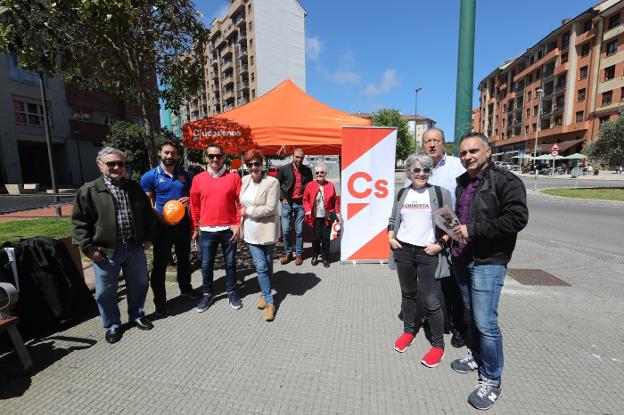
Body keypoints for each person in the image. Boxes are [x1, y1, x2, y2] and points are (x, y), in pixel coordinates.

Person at [450, 132, 528, 410]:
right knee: (471, 315)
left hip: (488, 262)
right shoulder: (462, 182)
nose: (468, 157)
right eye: (463, 153)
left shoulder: (506, 181)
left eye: (473, 151)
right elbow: (463, 216)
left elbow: (517, 219)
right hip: (462, 258)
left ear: (488, 152)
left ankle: (492, 380)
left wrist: (473, 229)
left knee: (486, 323)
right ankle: (476, 356)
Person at [71, 147, 156, 344]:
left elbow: (147, 215)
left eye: (121, 163)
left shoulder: (133, 188)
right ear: (99, 165)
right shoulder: (89, 191)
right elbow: (79, 224)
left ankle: (137, 315)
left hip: (134, 247)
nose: (117, 167)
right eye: (111, 164)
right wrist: (89, 249)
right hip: (106, 251)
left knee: (140, 284)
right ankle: (112, 325)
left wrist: (149, 237)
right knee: (105, 292)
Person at [387, 153, 453, 368]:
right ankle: (408, 331)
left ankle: (437, 345)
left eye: (426, 169)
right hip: (404, 251)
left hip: (428, 254)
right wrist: (390, 237)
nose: (421, 173)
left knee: (432, 302)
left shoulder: (439, 193)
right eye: (416, 170)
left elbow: (451, 228)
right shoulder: (402, 193)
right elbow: (394, 218)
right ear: (409, 172)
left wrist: (439, 245)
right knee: (408, 295)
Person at [140, 141, 199, 317]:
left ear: (177, 155)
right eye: (166, 153)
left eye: (173, 153)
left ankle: (186, 289)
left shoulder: (184, 175)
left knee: (184, 259)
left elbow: (192, 196)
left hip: (181, 226)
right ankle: (160, 302)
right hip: (161, 227)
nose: (169, 156)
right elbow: (148, 204)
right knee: (160, 265)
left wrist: (188, 199)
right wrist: (162, 220)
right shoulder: (150, 176)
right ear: (160, 153)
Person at [190, 143, 242, 312]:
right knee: (206, 265)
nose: (215, 159)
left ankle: (232, 291)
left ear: (223, 157)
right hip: (207, 230)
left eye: (218, 156)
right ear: (206, 158)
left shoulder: (233, 178)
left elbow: (241, 203)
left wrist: (237, 224)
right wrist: (195, 228)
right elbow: (194, 205)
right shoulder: (198, 179)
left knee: (230, 263)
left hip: (228, 229)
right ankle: (207, 294)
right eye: (211, 156)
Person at [239, 149, 281, 321]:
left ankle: (264, 293)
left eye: (256, 164)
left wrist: (247, 211)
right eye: (249, 164)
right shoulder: (244, 180)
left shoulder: (272, 182)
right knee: (261, 266)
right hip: (250, 231)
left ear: (262, 164)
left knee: (268, 262)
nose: (253, 167)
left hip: (267, 229)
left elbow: (270, 208)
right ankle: (270, 302)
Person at [277, 148, 312, 265]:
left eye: (301, 157)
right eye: (297, 157)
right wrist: (282, 199)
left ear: (304, 157)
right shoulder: (283, 169)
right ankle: (288, 253)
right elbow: (277, 185)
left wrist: (307, 200)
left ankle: (299, 254)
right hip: (287, 203)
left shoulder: (307, 171)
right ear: (292, 156)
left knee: (299, 231)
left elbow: (310, 186)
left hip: (300, 204)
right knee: (286, 230)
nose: (299, 159)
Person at [303, 162, 340, 268]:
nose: (319, 174)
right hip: (315, 217)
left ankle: (325, 258)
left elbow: (334, 201)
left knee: (326, 239)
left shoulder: (330, 185)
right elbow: (305, 199)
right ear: (315, 174)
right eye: (317, 172)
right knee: (315, 238)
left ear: (325, 173)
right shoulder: (310, 185)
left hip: (326, 217)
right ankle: (314, 256)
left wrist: (337, 212)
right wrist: (308, 211)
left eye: (322, 172)